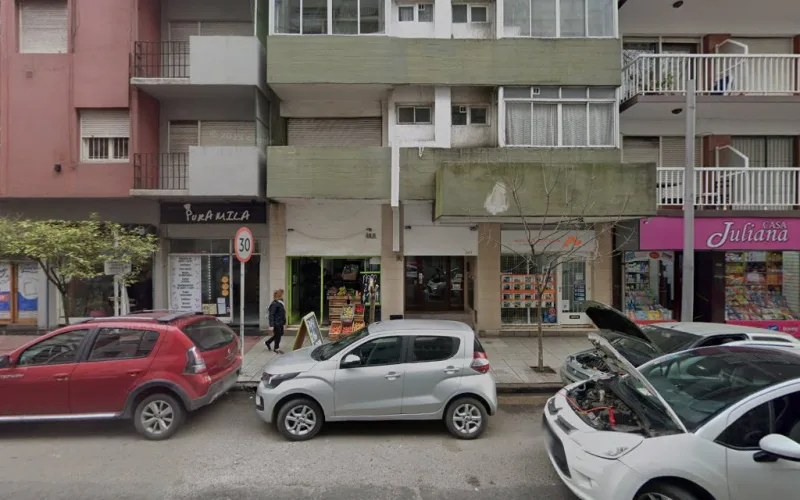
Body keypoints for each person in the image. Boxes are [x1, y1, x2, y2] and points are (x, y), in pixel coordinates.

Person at [265, 289, 287, 354]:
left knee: (280, 333)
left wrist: (284, 321)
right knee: (278, 335)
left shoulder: (280, 302)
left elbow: (282, 313)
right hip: (276, 323)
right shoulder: (274, 304)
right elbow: (271, 314)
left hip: (280, 322)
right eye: (282, 294)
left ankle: (268, 342)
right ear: (279, 295)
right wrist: (271, 325)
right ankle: (276, 348)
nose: (283, 296)